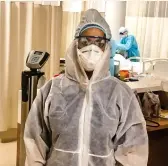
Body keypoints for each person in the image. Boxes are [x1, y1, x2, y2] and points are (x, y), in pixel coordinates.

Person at [24, 9, 148, 166]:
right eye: (85, 41)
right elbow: (35, 141)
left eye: (99, 42)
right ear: (75, 44)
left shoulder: (121, 94)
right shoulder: (52, 90)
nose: (92, 48)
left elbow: (133, 150)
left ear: (107, 47)